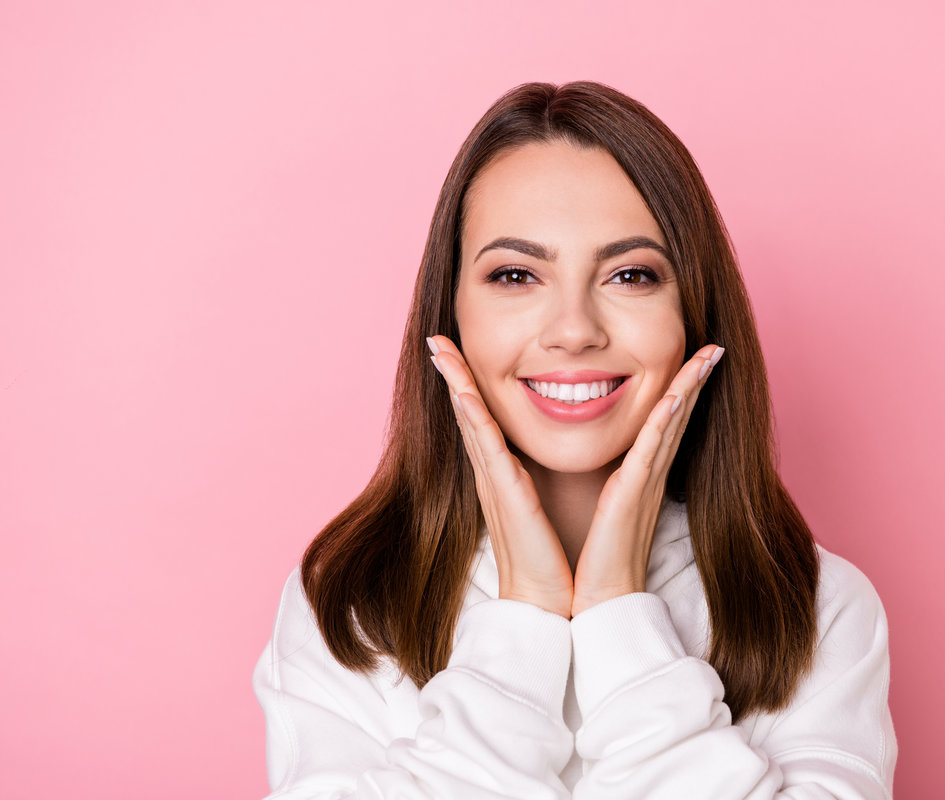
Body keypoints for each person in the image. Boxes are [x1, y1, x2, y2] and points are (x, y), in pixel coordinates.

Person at [253, 81, 897, 799]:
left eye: (630, 274)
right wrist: (524, 614)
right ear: (451, 314)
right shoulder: (346, 602)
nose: (573, 329)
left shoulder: (813, 605)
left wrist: (618, 611)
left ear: (694, 315)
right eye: (516, 274)